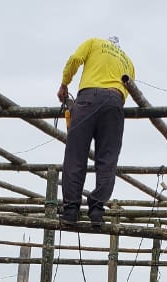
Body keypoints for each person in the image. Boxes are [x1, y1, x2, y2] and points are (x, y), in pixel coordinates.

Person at [58, 36, 135, 229]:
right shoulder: (128, 62)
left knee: (76, 155)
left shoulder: (94, 42)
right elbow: (129, 89)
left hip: (88, 98)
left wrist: (64, 84)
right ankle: (97, 211)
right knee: (107, 160)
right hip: (115, 103)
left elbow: (75, 59)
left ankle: (71, 210)